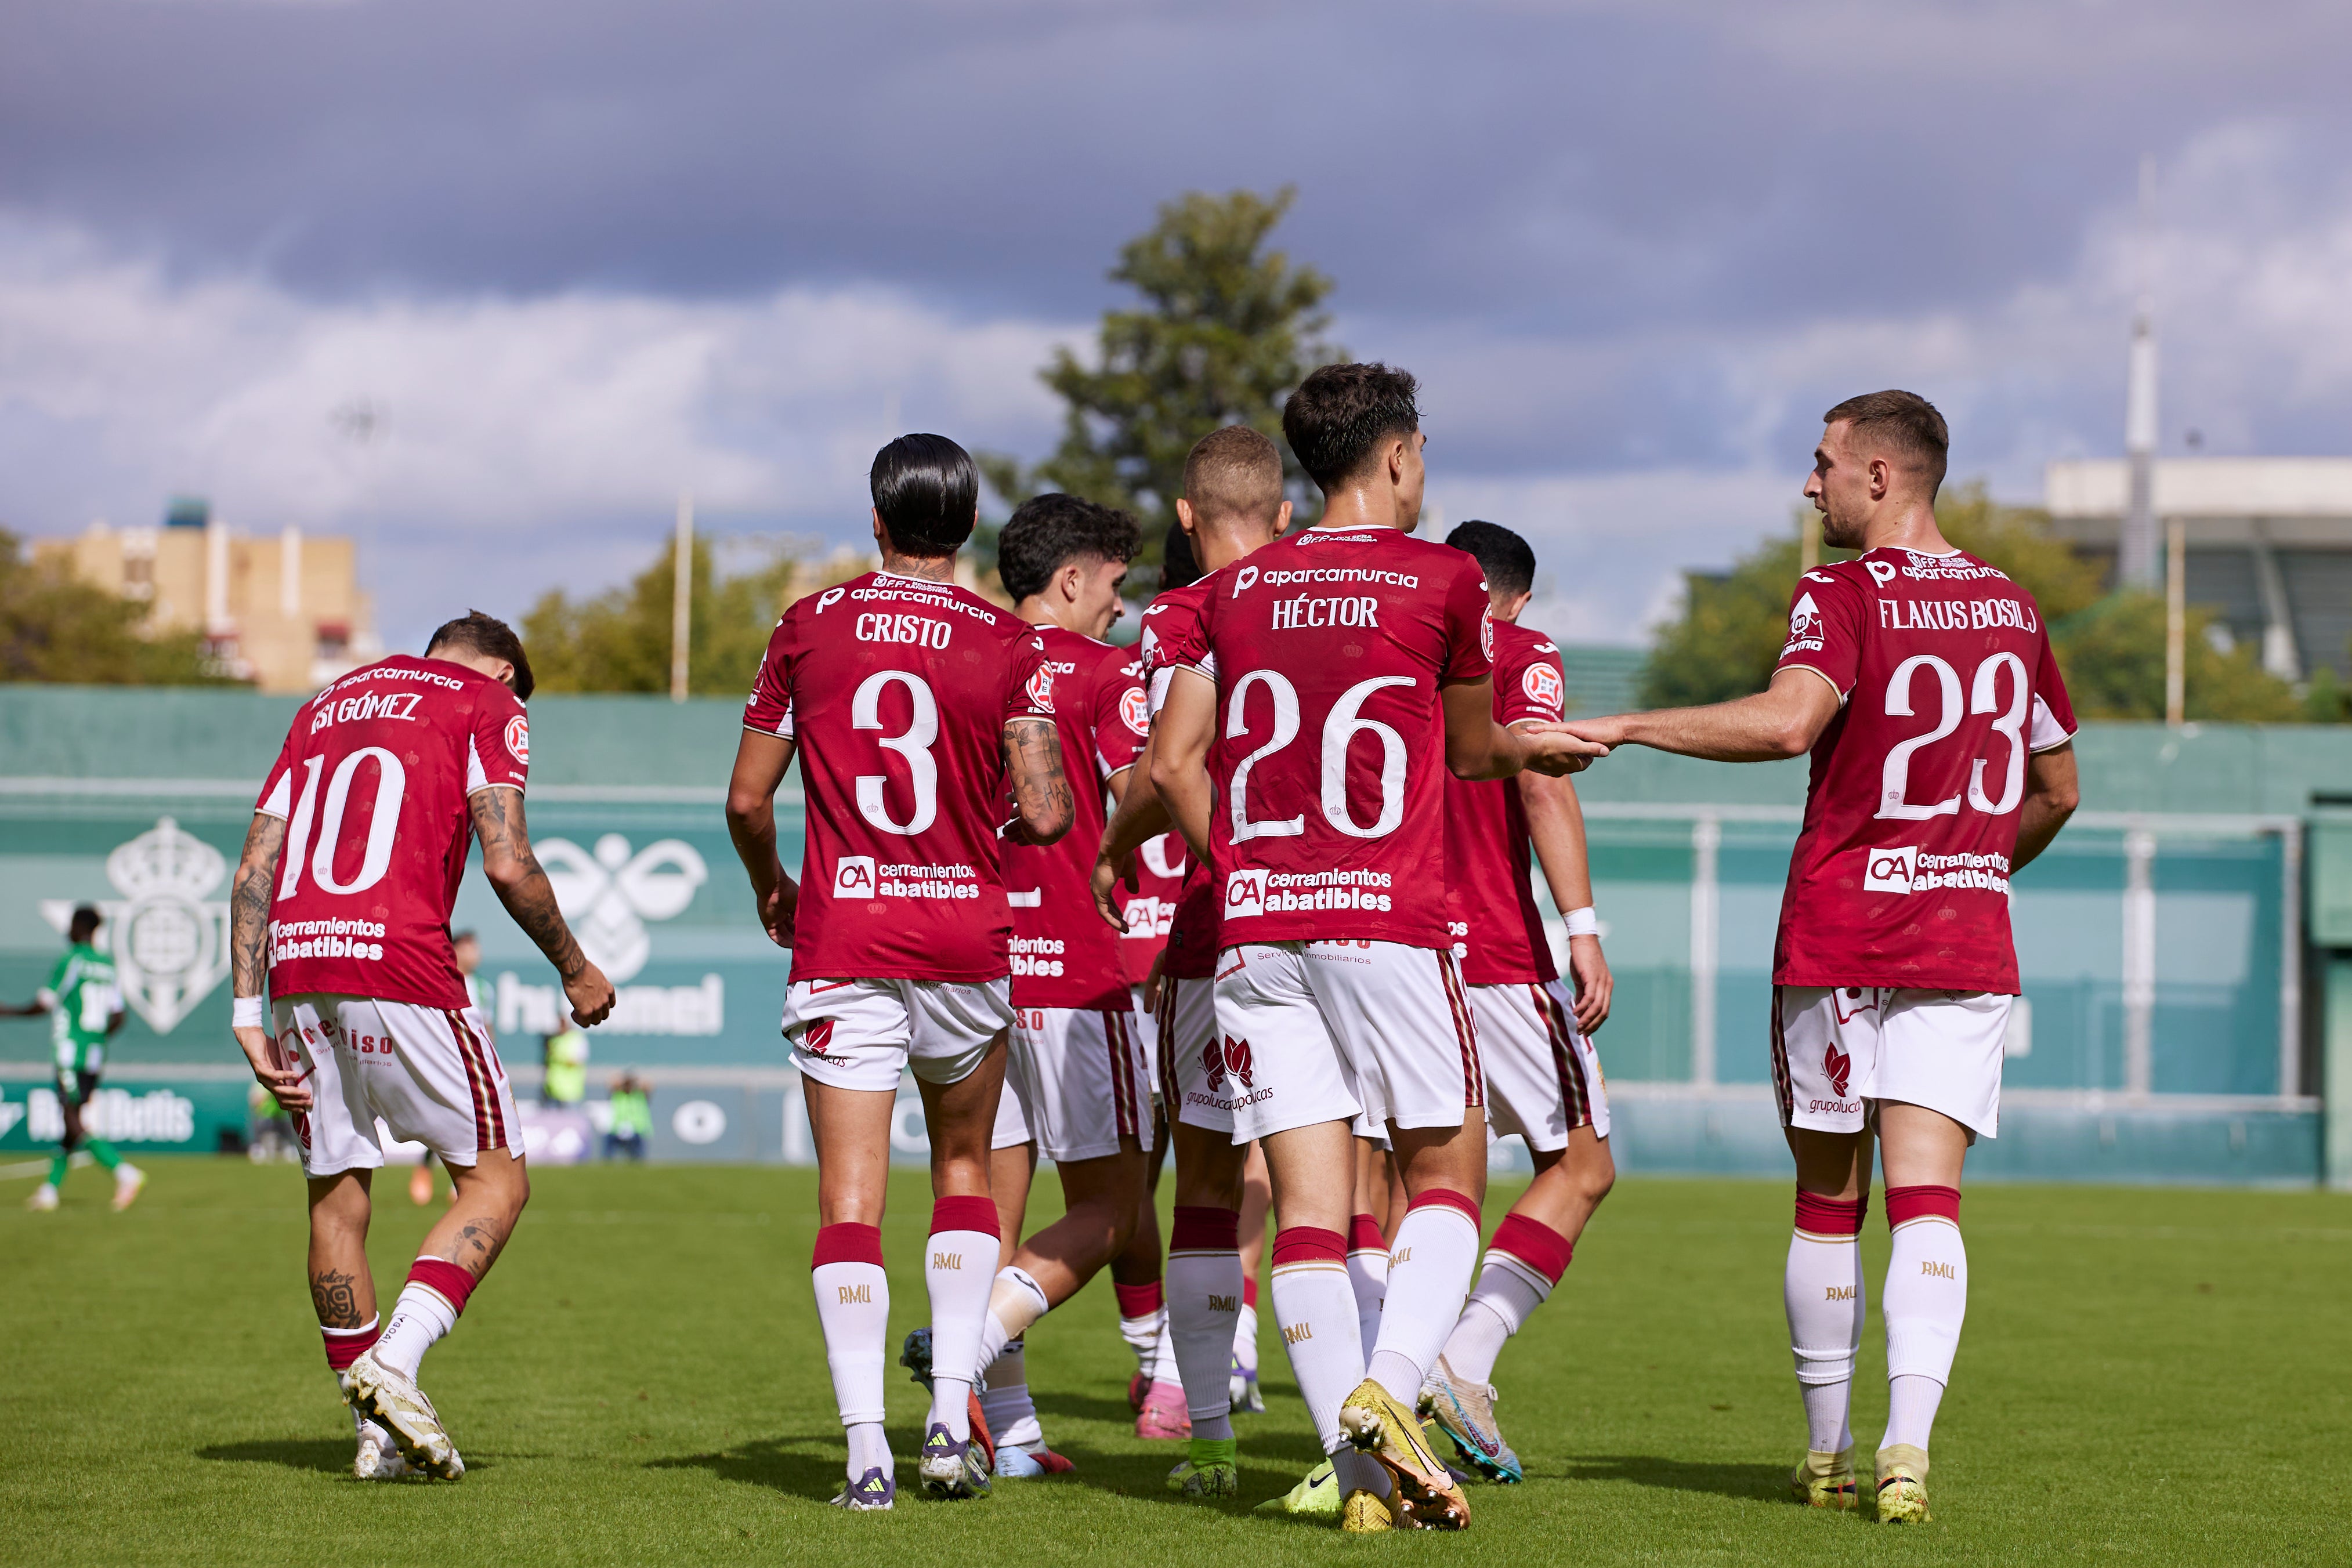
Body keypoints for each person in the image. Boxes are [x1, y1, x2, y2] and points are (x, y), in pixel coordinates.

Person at [1562, 391, 2080, 1524]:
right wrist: (1970, 867)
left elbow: (1789, 721)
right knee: (1929, 1203)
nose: (1811, 485)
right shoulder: (2011, 604)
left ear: (1881, 476)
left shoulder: (1840, 593)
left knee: (1826, 1201)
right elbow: (2056, 789)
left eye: (1823, 464)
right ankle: (1905, 1449)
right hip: (1961, 938)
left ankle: (1826, 1452)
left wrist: (1625, 724)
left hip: (1840, 936)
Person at [1149, 366, 1603, 1533]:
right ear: (1396, 456)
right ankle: (1388, 1395)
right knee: (1444, 1168)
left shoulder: (1237, 589)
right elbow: (1467, 749)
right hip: (1386, 920)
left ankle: (1358, 1490)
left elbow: (1175, 761)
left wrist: (1236, 862)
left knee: (1304, 1201)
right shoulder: (1445, 578)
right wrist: (1539, 750)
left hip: (1254, 929)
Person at [725, 433, 1073, 1511]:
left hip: (844, 939)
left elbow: (744, 799)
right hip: (963, 940)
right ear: (966, 530)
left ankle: (865, 1451)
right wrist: (987, 822)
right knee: (963, 1170)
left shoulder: (809, 627)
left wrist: (770, 882)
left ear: (875, 521)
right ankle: (944, 1421)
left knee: (849, 1199)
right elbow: (1048, 810)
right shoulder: (1009, 642)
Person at [227, 610, 617, 1484]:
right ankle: (393, 1362)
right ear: (506, 674)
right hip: (398, 959)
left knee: (335, 1198)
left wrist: (247, 1010)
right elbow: (508, 861)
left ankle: (374, 1439)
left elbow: (256, 864)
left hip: (297, 964)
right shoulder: (487, 701)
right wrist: (577, 967)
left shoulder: (327, 700)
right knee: (495, 1180)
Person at [1093, 424, 1291, 1498]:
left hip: (1205, 925)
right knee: (1321, 1176)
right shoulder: (1331, 606)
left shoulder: (1176, 624)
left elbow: (1156, 767)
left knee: (1193, 1174)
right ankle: (1364, 1416)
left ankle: (1190, 1403)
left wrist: (1113, 849)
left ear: (1182, 516)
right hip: (1348, 923)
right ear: (1287, 517)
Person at [955, 491, 1155, 1473]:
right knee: (1116, 1211)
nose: (1119, 606)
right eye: (1114, 585)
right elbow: (1140, 798)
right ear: (1070, 579)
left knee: (990, 1216)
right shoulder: (1106, 674)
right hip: (1078, 976)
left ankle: (1014, 1431)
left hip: (980, 974)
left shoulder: (966, 659)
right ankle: (964, 1359)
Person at [1419, 520, 1618, 1484]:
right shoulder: (1518, 649)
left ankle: (1390, 1381)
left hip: (1390, 947)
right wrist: (1581, 925)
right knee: (1581, 1165)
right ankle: (1463, 1357)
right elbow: (1542, 774)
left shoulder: (1396, 637)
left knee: (1408, 1185)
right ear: (1520, 598)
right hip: (1494, 950)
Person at [3, 906, 142, 1212]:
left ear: (80, 927)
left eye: (71, 925)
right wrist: (96, 1038)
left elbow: (44, 1003)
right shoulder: (107, 965)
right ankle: (50, 1190)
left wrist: (8, 1012)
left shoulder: (73, 960)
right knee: (70, 1125)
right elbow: (118, 1015)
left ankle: (123, 1172)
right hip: (94, 1056)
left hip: (69, 1052)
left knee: (72, 1119)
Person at [409, 931, 486, 1205]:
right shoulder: (442, 978)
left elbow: (487, 1027)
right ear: (458, 950)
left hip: (474, 1062)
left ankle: (464, 1184)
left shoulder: (483, 988)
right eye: (471, 948)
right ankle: (425, 1170)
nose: (477, 954)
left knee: (473, 1121)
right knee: (440, 1119)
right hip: (446, 1059)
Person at [605, 1072, 650, 1161]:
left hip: (637, 1130)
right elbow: (611, 1082)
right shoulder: (618, 1095)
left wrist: (636, 1082)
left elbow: (648, 1085)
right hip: (617, 1130)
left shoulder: (639, 1096)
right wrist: (623, 1082)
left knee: (638, 1152)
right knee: (608, 1142)